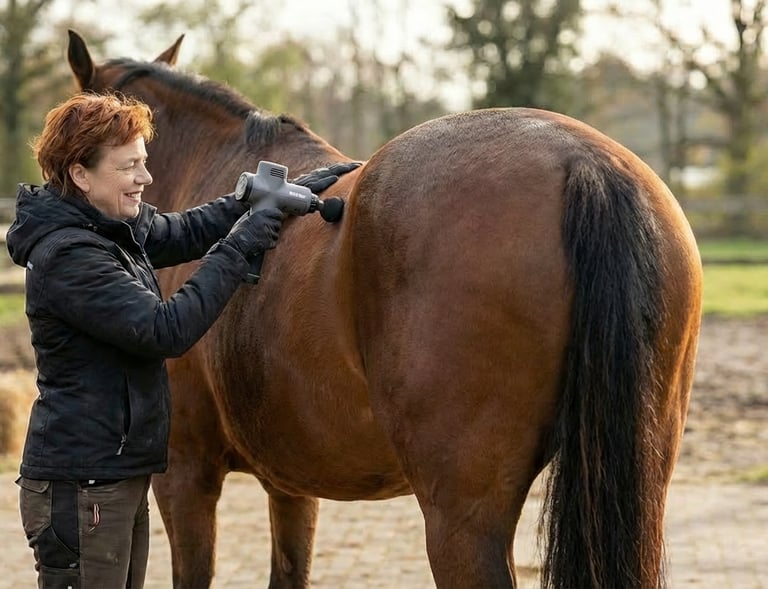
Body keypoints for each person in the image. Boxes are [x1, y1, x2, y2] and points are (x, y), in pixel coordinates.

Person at [5, 91, 359, 589]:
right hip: (82, 486)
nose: (146, 179)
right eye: (129, 167)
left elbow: (183, 229)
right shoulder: (71, 256)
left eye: (144, 163)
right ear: (81, 175)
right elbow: (164, 329)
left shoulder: (107, 225)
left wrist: (253, 201)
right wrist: (244, 242)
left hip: (113, 473)